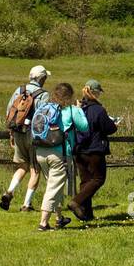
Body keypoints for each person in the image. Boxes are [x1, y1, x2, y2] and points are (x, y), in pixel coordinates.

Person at [31, 82, 87, 232]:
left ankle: (59, 218)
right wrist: (79, 110)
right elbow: (84, 127)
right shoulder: (71, 109)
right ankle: (43, 223)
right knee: (53, 187)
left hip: (40, 151)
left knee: (54, 185)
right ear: (70, 96)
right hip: (60, 154)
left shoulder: (45, 107)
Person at [1, 65, 50, 211]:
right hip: (33, 135)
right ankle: (26, 205)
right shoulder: (43, 94)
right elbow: (43, 117)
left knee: (22, 166)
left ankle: (9, 192)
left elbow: (9, 111)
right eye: (45, 77)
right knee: (35, 169)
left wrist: (11, 133)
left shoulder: (19, 90)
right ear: (41, 78)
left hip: (18, 132)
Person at [70, 79, 119, 223]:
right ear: (96, 92)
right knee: (98, 179)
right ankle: (76, 202)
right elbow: (109, 128)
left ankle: (86, 214)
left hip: (79, 149)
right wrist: (114, 123)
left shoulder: (78, 108)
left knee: (85, 182)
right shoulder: (98, 110)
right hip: (94, 149)